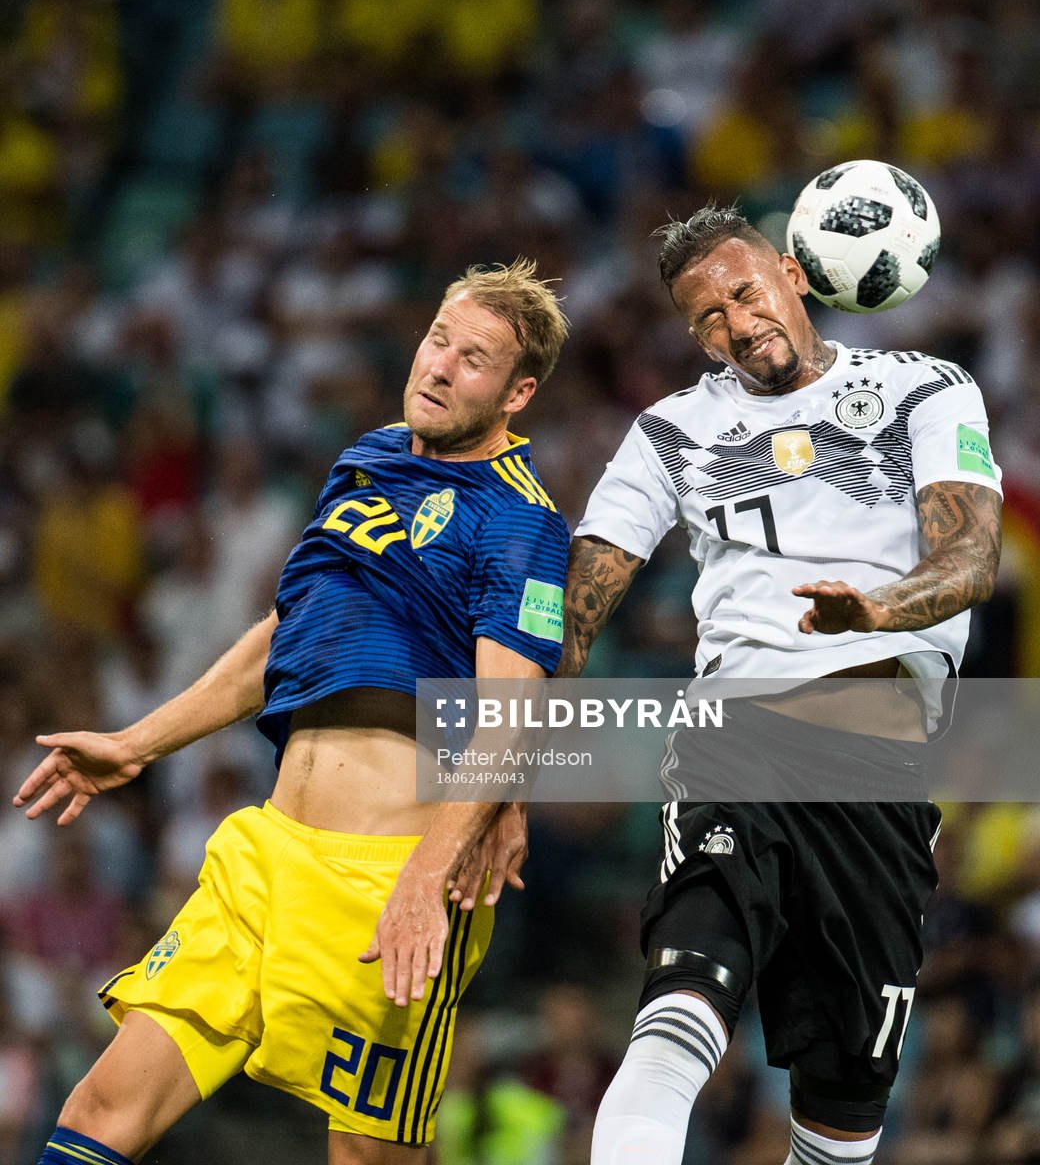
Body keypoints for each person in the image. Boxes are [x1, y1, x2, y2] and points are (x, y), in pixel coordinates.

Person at [13, 258, 571, 1165]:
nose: (439, 366)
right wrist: (135, 743)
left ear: (519, 391)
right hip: (266, 850)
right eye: (438, 340)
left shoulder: (520, 520)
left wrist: (430, 878)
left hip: (386, 877)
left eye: (474, 360)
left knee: (366, 1159)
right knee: (103, 1106)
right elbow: (282, 633)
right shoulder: (368, 458)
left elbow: (510, 715)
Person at [557, 206, 1003, 1165]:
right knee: (682, 997)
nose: (733, 323)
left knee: (844, 1118)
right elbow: (583, 589)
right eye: (705, 316)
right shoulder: (672, 431)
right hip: (740, 732)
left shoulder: (924, 388)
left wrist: (874, 614)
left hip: (882, 767)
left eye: (744, 291)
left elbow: (970, 558)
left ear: (796, 276)